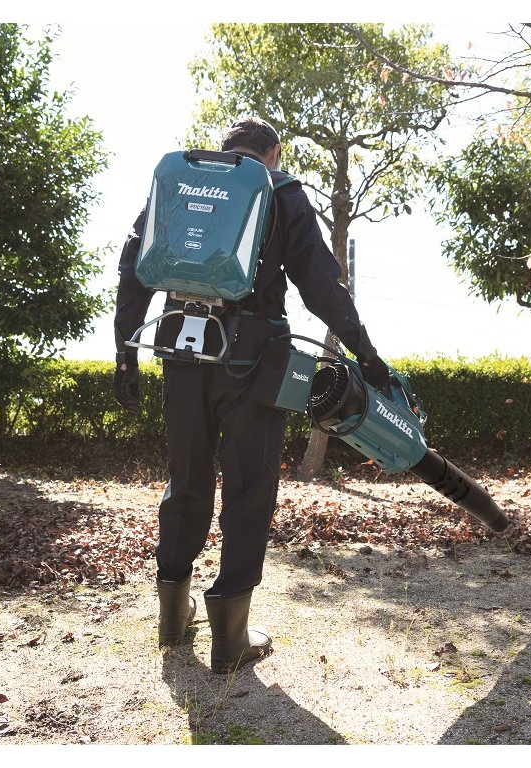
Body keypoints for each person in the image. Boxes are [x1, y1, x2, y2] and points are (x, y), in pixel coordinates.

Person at [112, 117, 390, 674]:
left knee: (185, 480)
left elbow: (134, 265)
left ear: (226, 149)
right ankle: (231, 635)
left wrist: (125, 351)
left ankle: (172, 616)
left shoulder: (182, 185)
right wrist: (365, 351)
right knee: (248, 489)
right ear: (273, 152)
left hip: (181, 351)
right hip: (253, 362)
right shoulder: (281, 190)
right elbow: (319, 282)